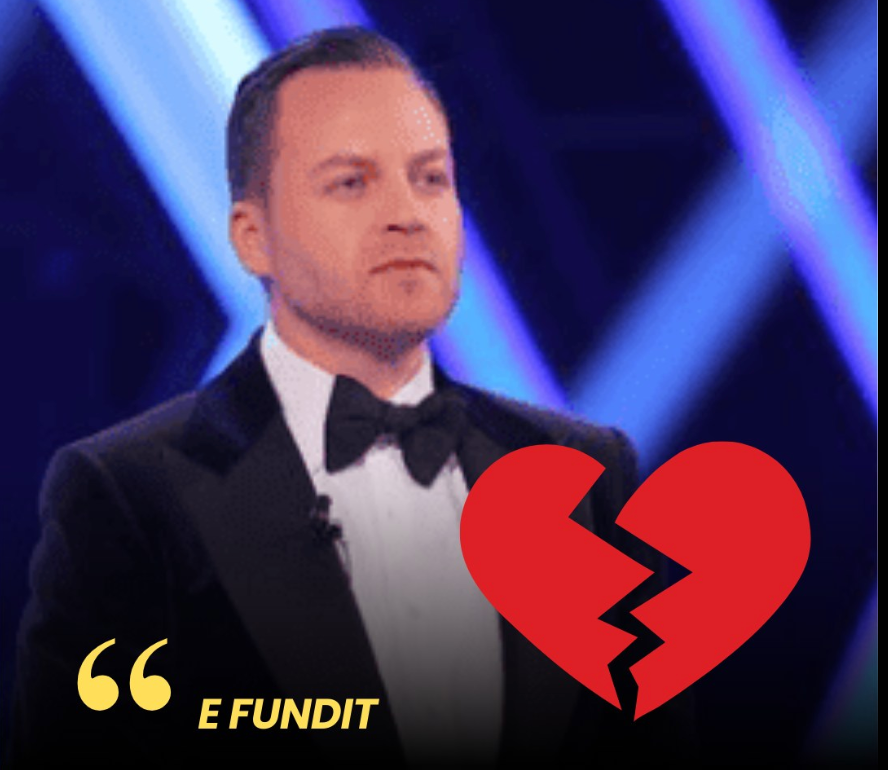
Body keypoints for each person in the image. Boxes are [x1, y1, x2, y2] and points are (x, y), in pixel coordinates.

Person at [10, 26, 692, 768]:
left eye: (429, 179)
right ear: (255, 236)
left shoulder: (581, 471)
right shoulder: (123, 491)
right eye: (350, 183)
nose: (405, 216)